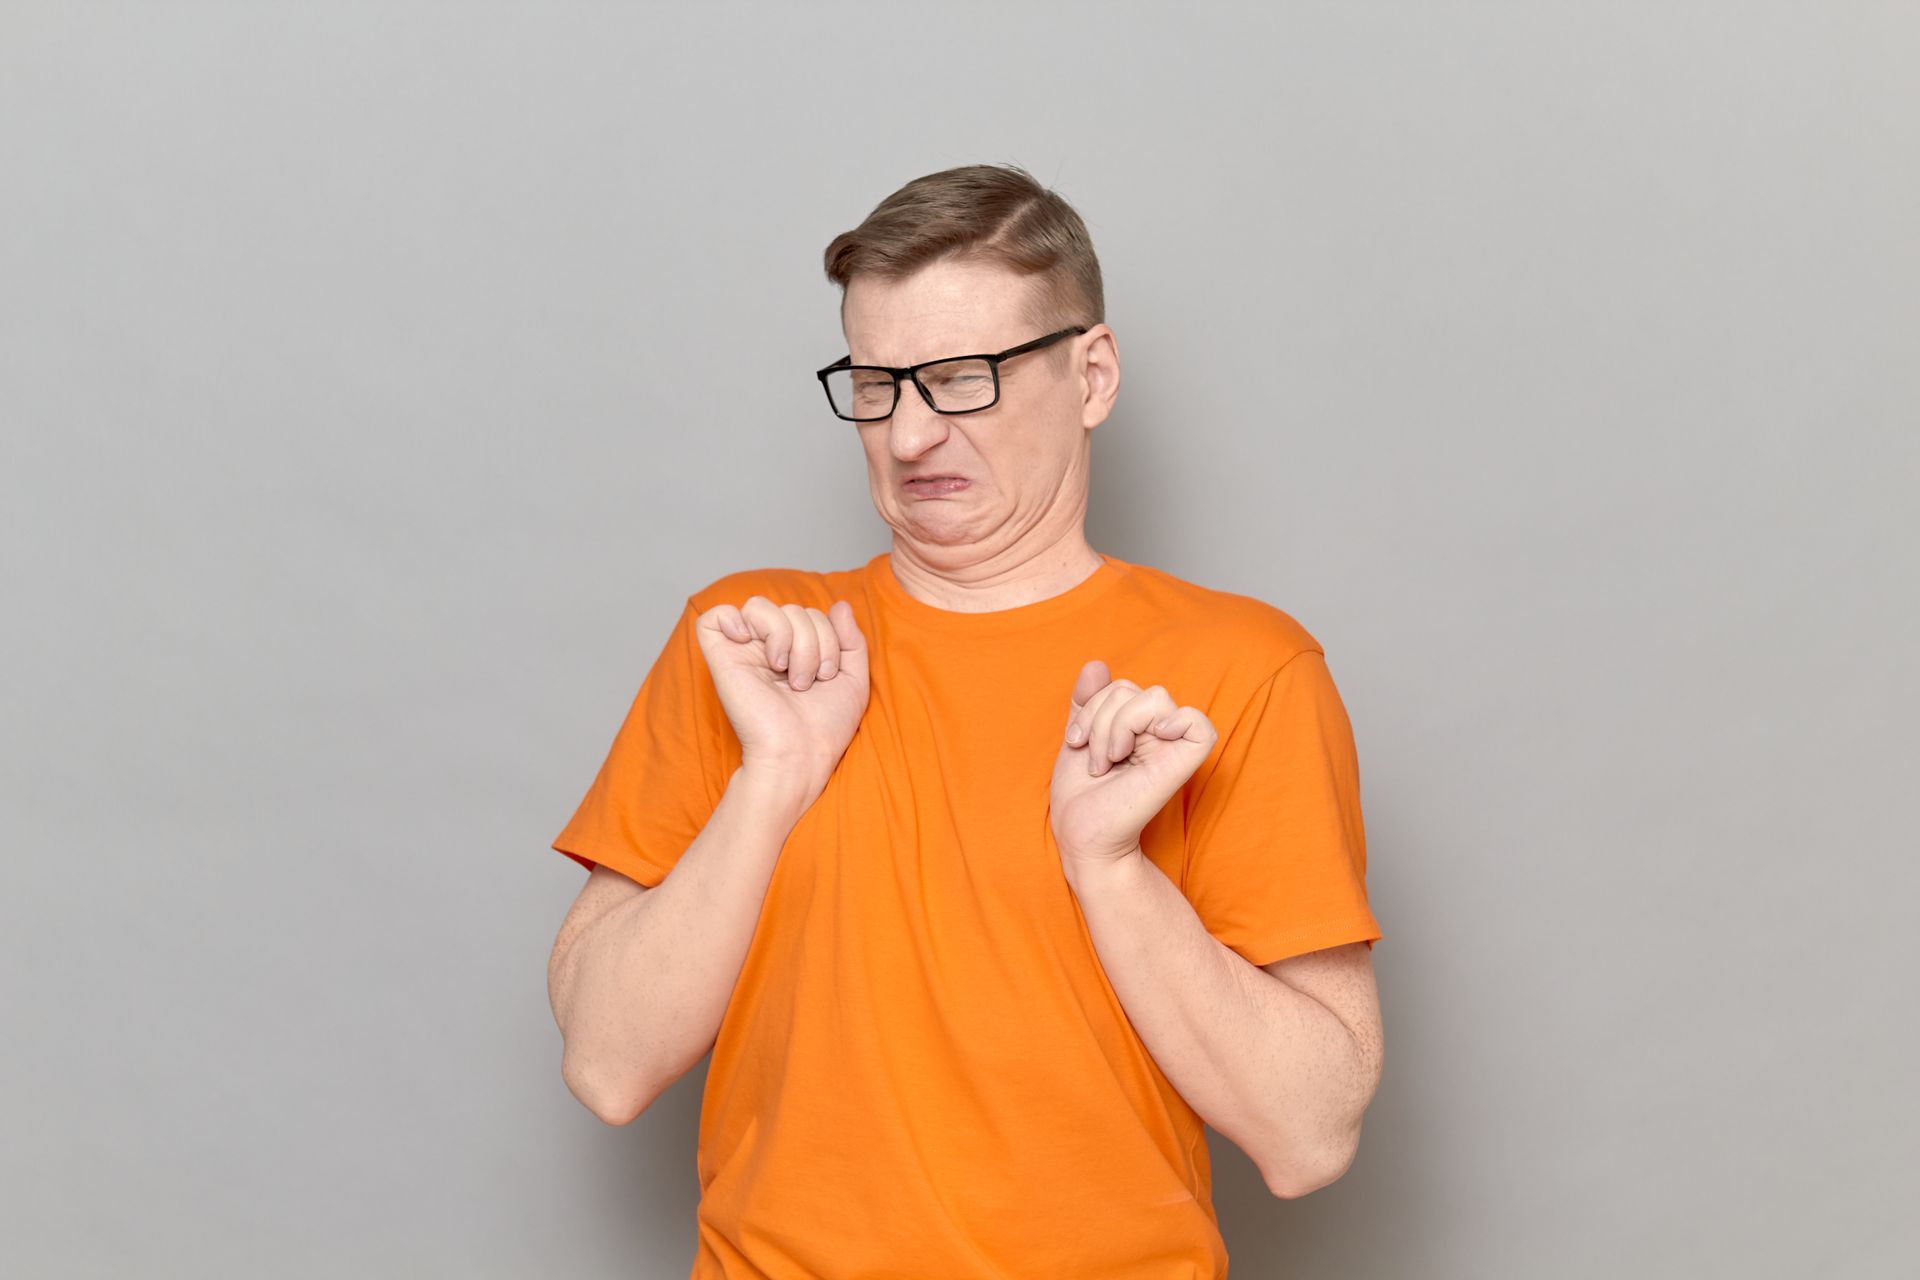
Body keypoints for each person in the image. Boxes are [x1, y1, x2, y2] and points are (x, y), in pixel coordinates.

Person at [545, 163, 1385, 1278]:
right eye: (879, 384)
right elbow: (609, 1062)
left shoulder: (1243, 669)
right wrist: (774, 776)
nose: (908, 437)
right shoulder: (751, 645)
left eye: (962, 379)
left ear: (1092, 374)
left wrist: (1115, 866)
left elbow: (1308, 1132)